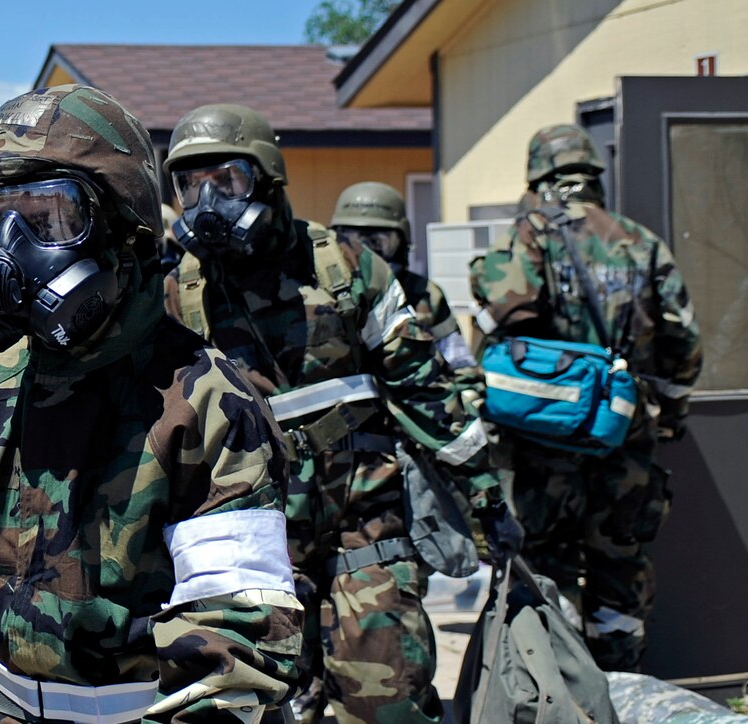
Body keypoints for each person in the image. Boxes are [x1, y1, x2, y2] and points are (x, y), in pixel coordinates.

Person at [0, 84, 303, 724]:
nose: (11, 252)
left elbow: (243, 637)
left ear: (124, 227)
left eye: (48, 219)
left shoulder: (204, 400)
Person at [161, 103, 509, 724]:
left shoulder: (345, 269)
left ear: (267, 177)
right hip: (253, 546)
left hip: (362, 528)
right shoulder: (176, 293)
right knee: (261, 710)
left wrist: (487, 496)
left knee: (387, 704)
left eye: (227, 182)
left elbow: (425, 388)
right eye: (191, 186)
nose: (208, 202)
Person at [468, 123, 703, 671]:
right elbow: (685, 341)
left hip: (543, 446)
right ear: (592, 174)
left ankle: (559, 689)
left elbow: (503, 316)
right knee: (620, 565)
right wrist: (668, 415)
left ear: (539, 179)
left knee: (542, 568)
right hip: (625, 439)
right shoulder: (640, 241)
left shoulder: (533, 234)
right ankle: (619, 683)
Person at [330, 181, 482, 414]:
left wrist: (468, 406)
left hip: (416, 425)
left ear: (402, 242)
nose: (367, 257)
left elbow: (460, 366)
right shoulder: (324, 298)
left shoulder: (425, 294)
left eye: (378, 242)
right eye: (354, 242)